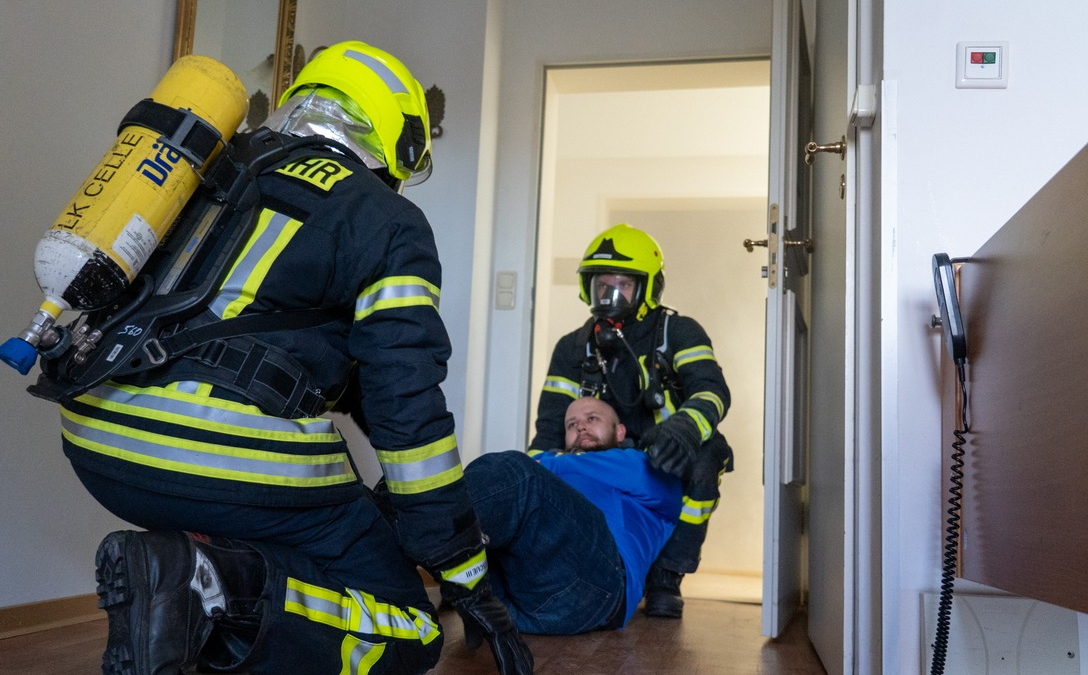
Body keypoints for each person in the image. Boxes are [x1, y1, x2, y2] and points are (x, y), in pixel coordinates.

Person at [58, 42, 531, 675]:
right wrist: (465, 571)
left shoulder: (211, 169)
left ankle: (183, 585)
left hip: (96, 439)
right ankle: (210, 582)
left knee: (303, 537)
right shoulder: (388, 219)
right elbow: (405, 403)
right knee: (411, 627)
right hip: (215, 456)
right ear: (394, 136)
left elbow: (329, 367)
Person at [528, 222, 733, 619]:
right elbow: (551, 424)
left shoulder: (679, 332)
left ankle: (666, 576)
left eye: (623, 285)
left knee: (708, 459)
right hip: (603, 458)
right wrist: (531, 476)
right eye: (602, 285)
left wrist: (685, 429)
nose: (610, 295)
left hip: (668, 452)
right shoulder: (573, 347)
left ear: (648, 288)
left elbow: (712, 390)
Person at [461, 396, 682, 634]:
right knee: (493, 470)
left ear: (619, 431)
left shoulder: (643, 465)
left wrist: (545, 464)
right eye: (571, 424)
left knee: (515, 470)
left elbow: (526, 471)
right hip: (517, 601)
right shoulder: (547, 467)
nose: (581, 427)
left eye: (592, 419)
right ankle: (455, 568)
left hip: (598, 590)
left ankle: (441, 541)